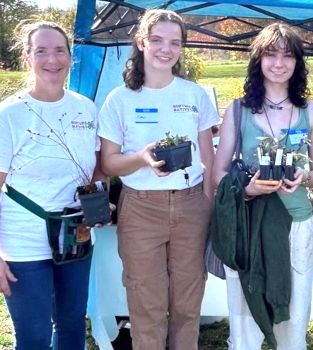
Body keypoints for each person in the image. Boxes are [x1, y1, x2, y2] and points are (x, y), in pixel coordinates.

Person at [98, 9, 219, 349]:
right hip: (140, 210)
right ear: (141, 42)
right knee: (145, 302)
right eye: (157, 40)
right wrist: (141, 158)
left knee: (188, 300)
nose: (166, 49)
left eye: (175, 43)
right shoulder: (120, 99)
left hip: (192, 204)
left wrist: (210, 204)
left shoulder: (195, 95)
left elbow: (208, 159)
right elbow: (108, 163)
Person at [212, 23, 313, 349]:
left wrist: (305, 176)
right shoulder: (238, 110)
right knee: (245, 320)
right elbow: (218, 173)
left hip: (297, 224)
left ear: (298, 62)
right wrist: (246, 190)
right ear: (258, 60)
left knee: (294, 317)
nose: (279, 63)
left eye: (288, 55)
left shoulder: (312, 112)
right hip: (250, 225)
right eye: (271, 54)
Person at [0, 21, 105, 349]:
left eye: (60, 50)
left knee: (72, 329)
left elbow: (96, 171)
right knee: (34, 338)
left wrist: (102, 201)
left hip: (75, 236)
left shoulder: (85, 108)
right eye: (41, 51)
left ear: (71, 58)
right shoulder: (9, 114)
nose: (52, 59)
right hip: (24, 242)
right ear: (26, 57)